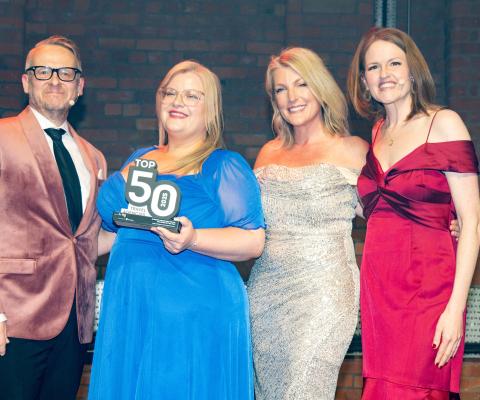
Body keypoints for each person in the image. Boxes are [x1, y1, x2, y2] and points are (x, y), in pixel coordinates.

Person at [88, 60, 265, 400]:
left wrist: (193, 238)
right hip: (131, 304)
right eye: (170, 92)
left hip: (191, 309)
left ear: (210, 110)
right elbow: (116, 232)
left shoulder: (222, 166)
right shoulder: (139, 159)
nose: (177, 101)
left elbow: (253, 240)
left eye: (191, 96)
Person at [348, 27, 480, 399]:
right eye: (373, 67)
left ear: (412, 71)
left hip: (429, 289)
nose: (384, 73)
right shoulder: (376, 133)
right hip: (379, 290)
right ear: (364, 81)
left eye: (394, 63)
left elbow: (471, 224)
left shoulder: (444, 123)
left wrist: (456, 309)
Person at [246, 47, 368, 399]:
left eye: (301, 85)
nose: (292, 97)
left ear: (320, 88)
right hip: (265, 294)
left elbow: (388, 214)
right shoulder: (268, 153)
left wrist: (445, 225)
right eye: (280, 90)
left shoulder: (353, 149)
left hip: (325, 295)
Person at [0, 36, 107, 400]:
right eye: (43, 71)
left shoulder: (94, 158)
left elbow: (87, 240)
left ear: (80, 87)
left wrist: (151, 227)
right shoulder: (2, 137)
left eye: (66, 72)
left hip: (74, 327)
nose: (55, 80)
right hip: (13, 319)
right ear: (26, 81)